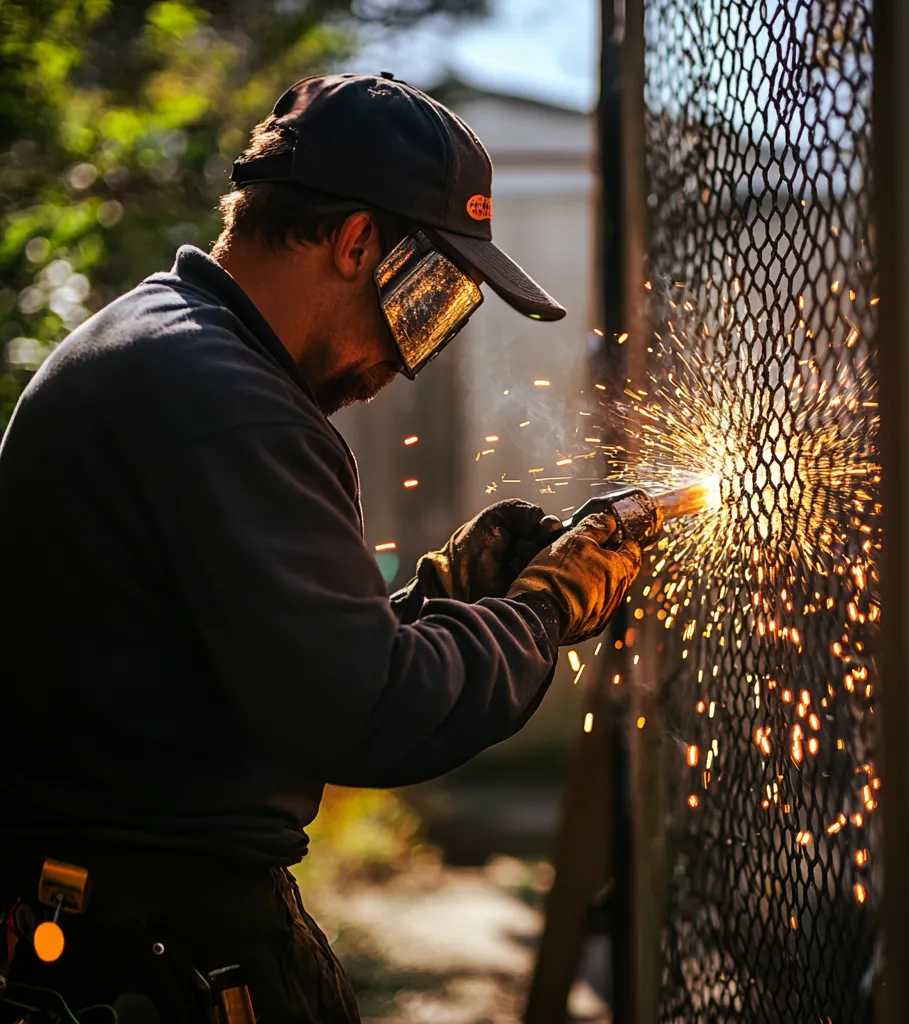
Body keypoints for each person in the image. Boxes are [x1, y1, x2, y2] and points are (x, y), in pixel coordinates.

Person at [0, 74, 641, 1022]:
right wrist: (544, 611)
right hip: (151, 948)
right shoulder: (232, 403)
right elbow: (362, 710)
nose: (410, 358)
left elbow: (260, 662)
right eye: (433, 300)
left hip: (101, 919)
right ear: (353, 243)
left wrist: (445, 600)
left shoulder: (164, 344)